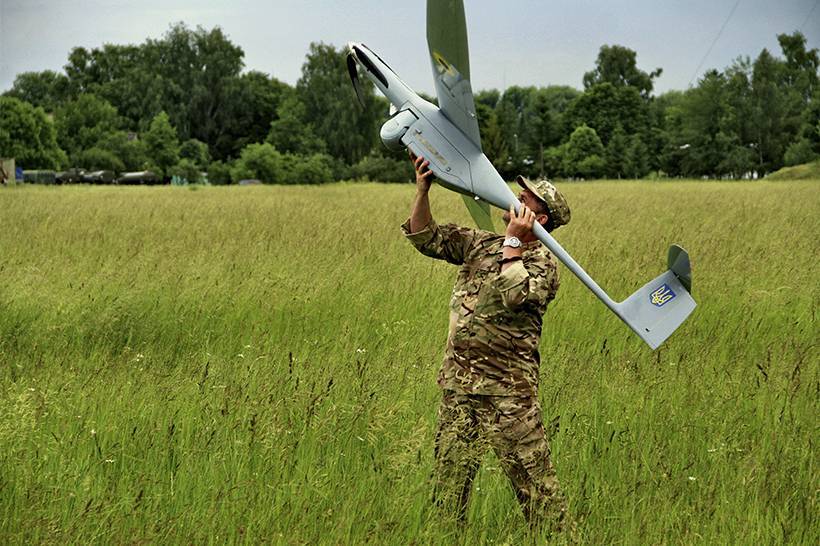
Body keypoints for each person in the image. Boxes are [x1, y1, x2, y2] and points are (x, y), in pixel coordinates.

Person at [401, 152, 574, 536]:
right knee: (448, 492)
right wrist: (422, 189)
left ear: (540, 218)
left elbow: (517, 295)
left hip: (509, 397)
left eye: (526, 199)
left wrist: (513, 243)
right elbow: (424, 236)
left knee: (539, 496)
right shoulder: (481, 244)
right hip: (459, 389)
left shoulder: (545, 264)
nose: (516, 197)